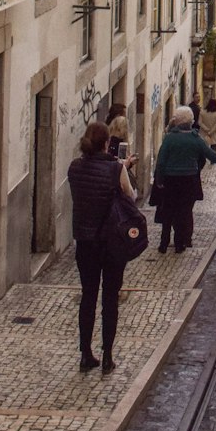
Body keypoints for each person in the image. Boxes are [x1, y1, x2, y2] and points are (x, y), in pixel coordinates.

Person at [67, 121, 137, 374]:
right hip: (111, 243)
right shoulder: (115, 169)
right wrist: (124, 169)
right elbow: (130, 197)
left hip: (85, 242)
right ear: (107, 143)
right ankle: (107, 356)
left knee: (88, 296)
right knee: (110, 298)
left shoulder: (74, 168)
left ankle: (85, 353)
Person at [153, 106, 216, 253]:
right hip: (189, 181)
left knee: (168, 211)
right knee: (183, 212)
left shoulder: (169, 139)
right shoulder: (195, 139)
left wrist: (159, 180)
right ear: (191, 121)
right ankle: (179, 244)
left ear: (176, 120)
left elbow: (161, 161)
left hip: (170, 181)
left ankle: (163, 243)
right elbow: (210, 154)